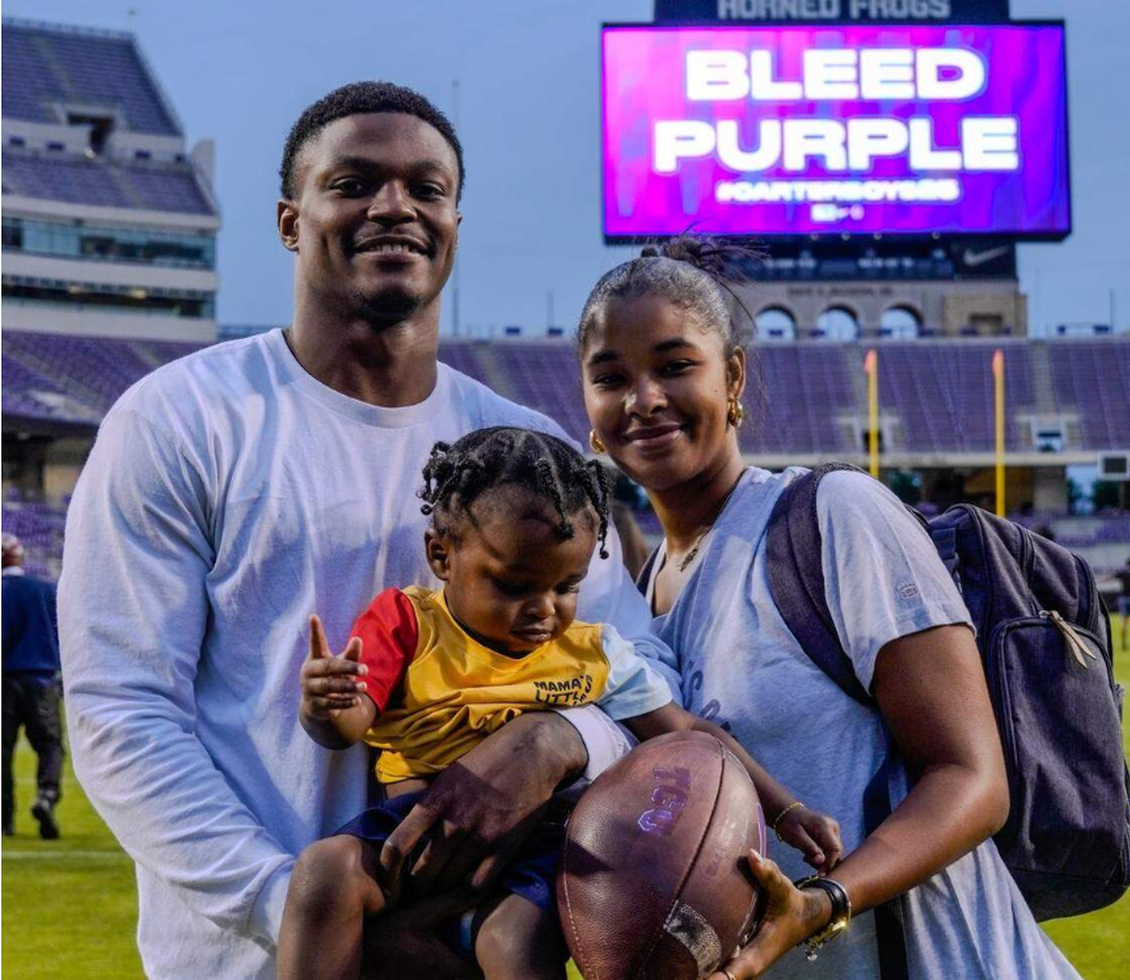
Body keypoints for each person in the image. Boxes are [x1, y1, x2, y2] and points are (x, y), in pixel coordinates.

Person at [58, 82, 671, 980]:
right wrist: (303, 910)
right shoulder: (180, 419)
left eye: (426, 188)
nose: (395, 206)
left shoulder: (530, 455)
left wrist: (561, 740)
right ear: (287, 220)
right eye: (353, 183)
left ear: (455, 222)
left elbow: (635, 678)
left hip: (472, 951)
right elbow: (123, 713)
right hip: (251, 960)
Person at [575, 238, 1082, 980]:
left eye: (676, 366)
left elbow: (973, 782)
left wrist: (823, 901)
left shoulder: (830, 515)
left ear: (734, 376)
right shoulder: (637, 594)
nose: (643, 398)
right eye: (610, 376)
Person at [277, 427, 841, 980]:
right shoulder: (408, 621)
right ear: (441, 555)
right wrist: (326, 706)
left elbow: (686, 733)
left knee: (512, 941)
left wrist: (785, 809)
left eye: (566, 587)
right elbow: (351, 724)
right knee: (323, 872)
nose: (543, 610)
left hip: (543, 844)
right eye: (514, 585)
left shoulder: (594, 654)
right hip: (414, 831)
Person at [2, 533, 63, 839]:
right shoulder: (46, 590)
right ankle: (46, 797)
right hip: (42, 680)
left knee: (3, 750)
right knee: (50, 745)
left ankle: (4, 820)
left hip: (4, 683)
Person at [1106, 558, 1130, 651]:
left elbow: (1110, 577)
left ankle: (1123, 643)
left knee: (1124, 622)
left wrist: (1097, 580)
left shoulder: (1122, 573)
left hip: (1124, 599)